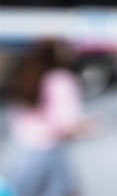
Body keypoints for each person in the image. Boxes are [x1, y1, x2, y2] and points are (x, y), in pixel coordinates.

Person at [2, 39, 95, 196]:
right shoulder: (61, 79)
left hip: (22, 150)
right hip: (50, 152)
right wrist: (90, 126)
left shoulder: (26, 75)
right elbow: (66, 124)